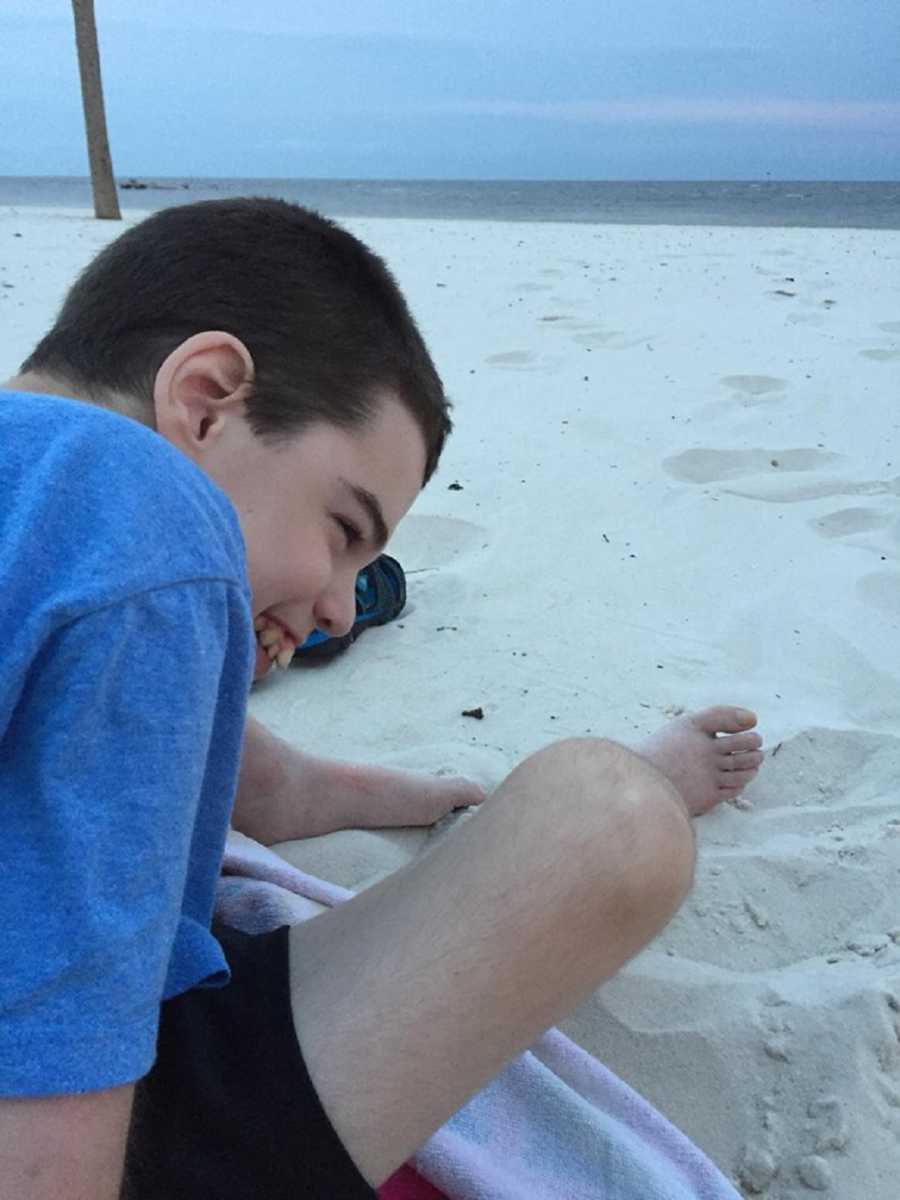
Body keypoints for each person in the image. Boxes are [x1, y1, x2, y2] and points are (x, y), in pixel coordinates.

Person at [0, 198, 764, 1199]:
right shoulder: (145, 514)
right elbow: (57, 1011)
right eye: (344, 529)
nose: (333, 609)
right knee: (609, 820)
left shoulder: (40, 496)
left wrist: (435, 798)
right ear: (206, 398)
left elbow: (247, 782)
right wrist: (630, 786)